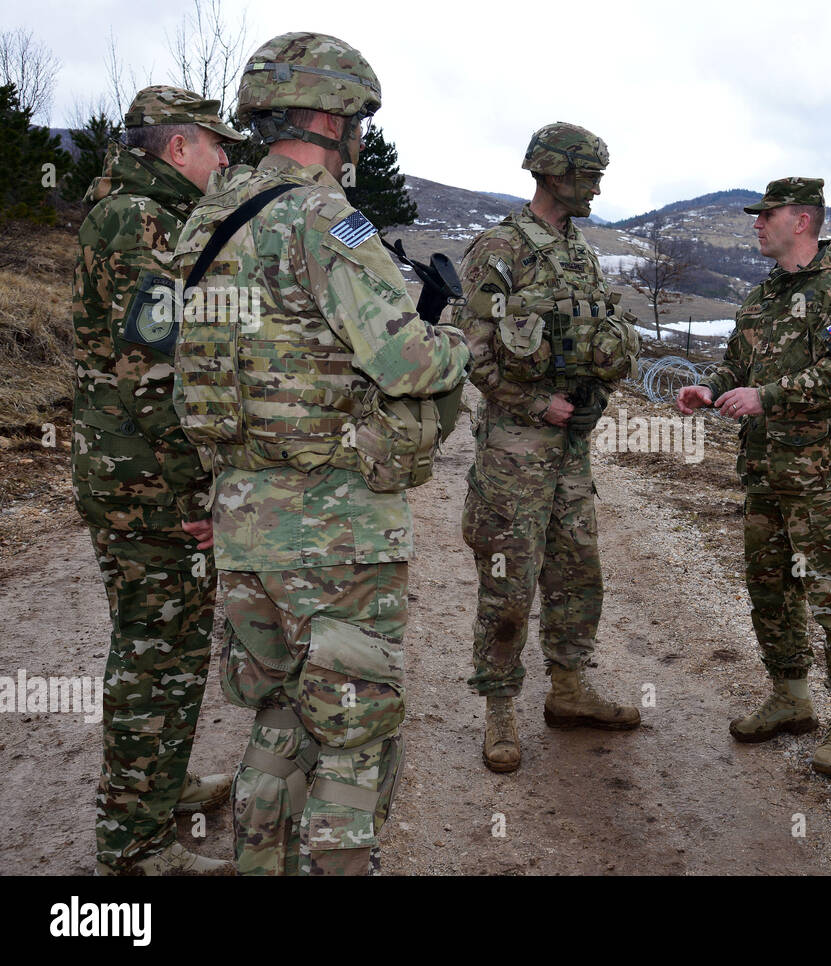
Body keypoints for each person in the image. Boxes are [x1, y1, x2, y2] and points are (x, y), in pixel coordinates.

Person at [170, 31, 470, 875]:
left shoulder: (207, 220)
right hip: (334, 529)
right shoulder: (323, 217)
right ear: (332, 118)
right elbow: (407, 362)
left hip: (244, 519)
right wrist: (460, 347)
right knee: (354, 736)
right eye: (359, 120)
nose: (363, 136)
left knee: (275, 718)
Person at [73, 85, 244, 876]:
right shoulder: (145, 224)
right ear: (179, 148)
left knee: (166, 641)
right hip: (147, 479)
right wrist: (194, 493)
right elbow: (154, 371)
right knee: (157, 650)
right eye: (218, 147)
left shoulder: (140, 210)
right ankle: (134, 847)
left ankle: (159, 787)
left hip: (133, 469)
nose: (225, 160)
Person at [455, 121, 642, 774]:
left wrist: (598, 381)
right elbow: (473, 351)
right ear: (550, 173)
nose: (595, 187)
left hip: (571, 448)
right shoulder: (499, 249)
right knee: (509, 579)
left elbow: (599, 333)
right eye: (587, 174)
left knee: (576, 569)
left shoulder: (582, 254)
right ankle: (500, 703)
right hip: (514, 449)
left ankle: (569, 688)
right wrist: (537, 402)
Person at [676, 177, 831, 775]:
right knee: (770, 588)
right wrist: (709, 387)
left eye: (768, 215)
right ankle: (790, 696)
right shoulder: (763, 297)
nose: (757, 224)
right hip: (763, 470)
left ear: (803, 221)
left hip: (819, 476)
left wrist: (767, 396)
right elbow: (738, 359)